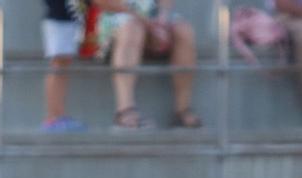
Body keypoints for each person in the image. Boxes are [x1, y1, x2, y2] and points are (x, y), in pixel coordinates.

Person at [91, 1, 203, 130]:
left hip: (150, 18)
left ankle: (182, 110)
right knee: (132, 28)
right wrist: (148, 24)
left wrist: (162, 20)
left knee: (184, 31)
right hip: (113, 15)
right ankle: (125, 110)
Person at [41, 1, 88, 132]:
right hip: (59, 21)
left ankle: (58, 115)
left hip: (67, 21)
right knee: (58, 65)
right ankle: (53, 117)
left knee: (62, 66)